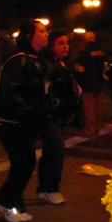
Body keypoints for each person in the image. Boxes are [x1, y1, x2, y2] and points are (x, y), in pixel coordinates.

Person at [0, 19, 54, 222]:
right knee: (24, 162)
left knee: (23, 162)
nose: (46, 34)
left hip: (25, 121)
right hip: (12, 122)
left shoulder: (37, 60)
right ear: (29, 36)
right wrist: (30, 111)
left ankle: (15, 205)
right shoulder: (19, 60)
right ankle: (5, 201)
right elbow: (10, 93)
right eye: (41, 31)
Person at [37, 29, 78, 204]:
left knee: (50, 150)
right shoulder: (48, 65)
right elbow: (45, 92)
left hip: (60, 115)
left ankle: (44, 188)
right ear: (51, 46)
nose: (65, 46)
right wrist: (58, 104)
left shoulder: (65, 64)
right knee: (58, 149)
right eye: (60, 43)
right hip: (49, 115)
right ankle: (52, 188)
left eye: (67, 43)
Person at [75, 30, 106, 137]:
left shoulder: (85, 52)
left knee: (89, 109)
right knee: (97, 108)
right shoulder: (100, 51)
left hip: (88, 83)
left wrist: (76, 68)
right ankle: (97, 128)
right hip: (99, 82)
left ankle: (90, 130)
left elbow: (81, 68)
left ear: (86, 39)